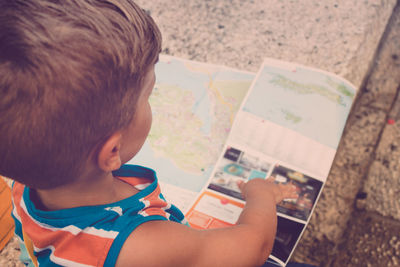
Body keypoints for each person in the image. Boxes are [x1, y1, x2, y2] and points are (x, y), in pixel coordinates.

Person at [0, 0, 299, 266]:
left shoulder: (22, 185)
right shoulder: (144, 246)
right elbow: (253, 247)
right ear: (112, 152)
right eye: (149, 96)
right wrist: (261, 195)